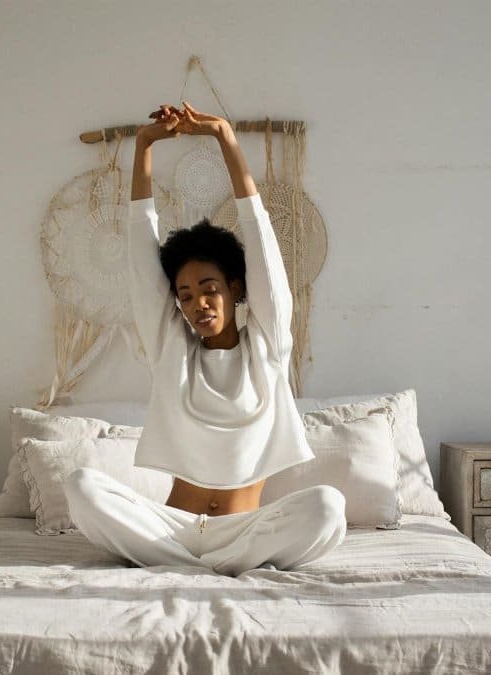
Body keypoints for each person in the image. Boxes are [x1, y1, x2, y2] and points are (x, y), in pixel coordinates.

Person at [63, 101, 346, 576]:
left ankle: (191, 567)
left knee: (327, 507)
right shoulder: (171, 349)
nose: (199, 304)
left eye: (210, 289)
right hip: (170, 527)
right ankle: (217, 568)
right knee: (82, 488)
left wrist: (226, 140)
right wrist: (144, 145)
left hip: (246, 530)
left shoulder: (268, 347)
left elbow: (262, 249)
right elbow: (140, 253)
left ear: (235, 289)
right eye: (186, 295)